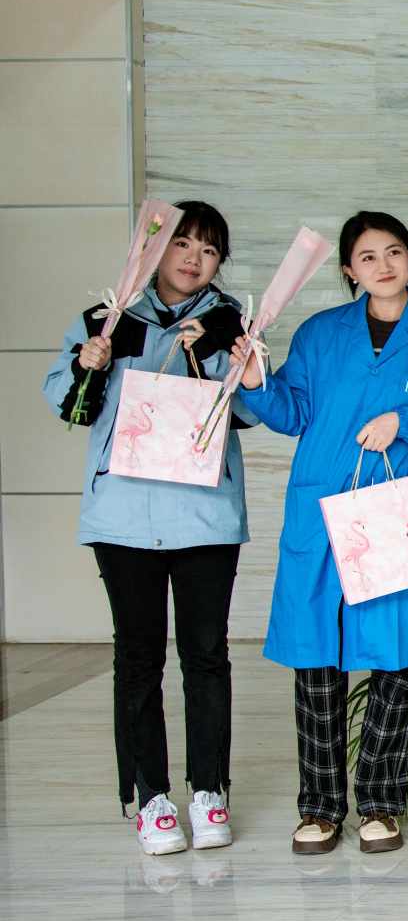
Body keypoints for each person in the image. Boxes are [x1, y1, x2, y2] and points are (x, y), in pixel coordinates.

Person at [233, 211, 408, 854]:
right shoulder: (320, 334)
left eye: (394, 252)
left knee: (398, 659)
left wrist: (405, 422)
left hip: (394, 515)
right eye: (367, 256)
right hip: (322, 512)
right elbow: (291, 412)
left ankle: (380, 803)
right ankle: (321, 807)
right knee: (317, 661)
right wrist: (256, 382)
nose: (383, 266)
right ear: (349, 270)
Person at [45, 201, 250, 854]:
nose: (194, 258)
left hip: (205, 517)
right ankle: (151, 797)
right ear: (156, 250)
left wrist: (225, 358)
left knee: (206, 655)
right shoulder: (108, 319)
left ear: (220, 262)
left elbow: (251, 410)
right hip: (124, 518)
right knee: (138, 658)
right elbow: (69, 406)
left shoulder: (230, 323)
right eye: (182, 243)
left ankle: (209, 790)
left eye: (209, 249)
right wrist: (89, 363)